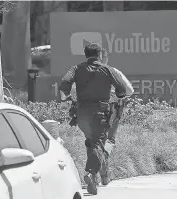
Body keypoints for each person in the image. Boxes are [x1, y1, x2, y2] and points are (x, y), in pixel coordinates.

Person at [59, 43, 133, 195]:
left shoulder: (76, 68)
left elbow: (64, 84)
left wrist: (68, 98)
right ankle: (90, 174)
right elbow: (122, 89)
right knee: (99, 144)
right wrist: (119, 97)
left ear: (85, 54)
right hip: (99, 113)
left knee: (91, 142)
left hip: (81, 114)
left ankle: (96, 177)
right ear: (100, 55)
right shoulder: (107, 69)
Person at [98, 49, 134, 185]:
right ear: (106, 58)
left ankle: (100, 174)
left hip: (90, 111)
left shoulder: (85, 72)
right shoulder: (113, 71)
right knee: (110, 140)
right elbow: (130, 90)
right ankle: (104, 156)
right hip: (111, 109)